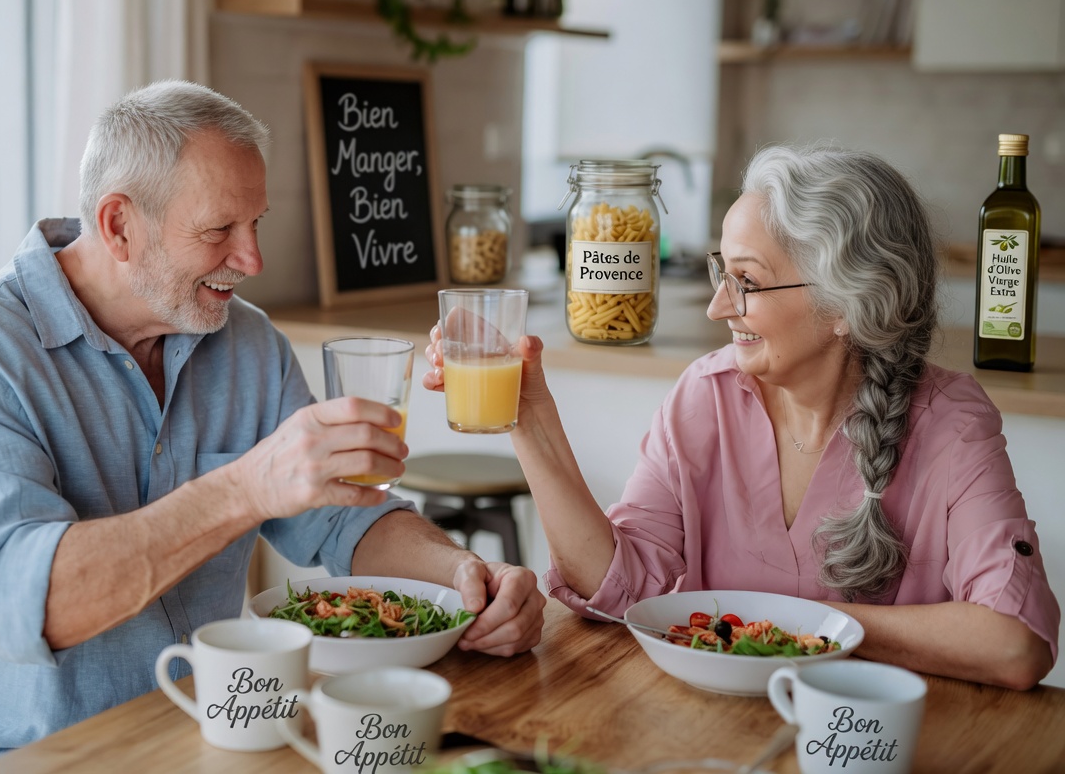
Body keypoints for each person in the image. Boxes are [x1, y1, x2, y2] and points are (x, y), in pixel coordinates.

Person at [0, 80, 545, 773]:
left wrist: (465, 578)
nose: (252, 261)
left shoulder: (248, 346)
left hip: (185, 736)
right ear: (120, 224)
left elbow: (345, 518)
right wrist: (248, 488)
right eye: (219, 231)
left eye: (256, 224)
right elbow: (35, 607)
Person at [426, 144, 1058, 690]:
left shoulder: (950, 423)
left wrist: (796, 628)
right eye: (720, 274)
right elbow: (616, 588)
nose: (718, 307)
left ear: (846, 304)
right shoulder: (709, 395)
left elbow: (1014, 643)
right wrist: (527, 417)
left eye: (747, 281)